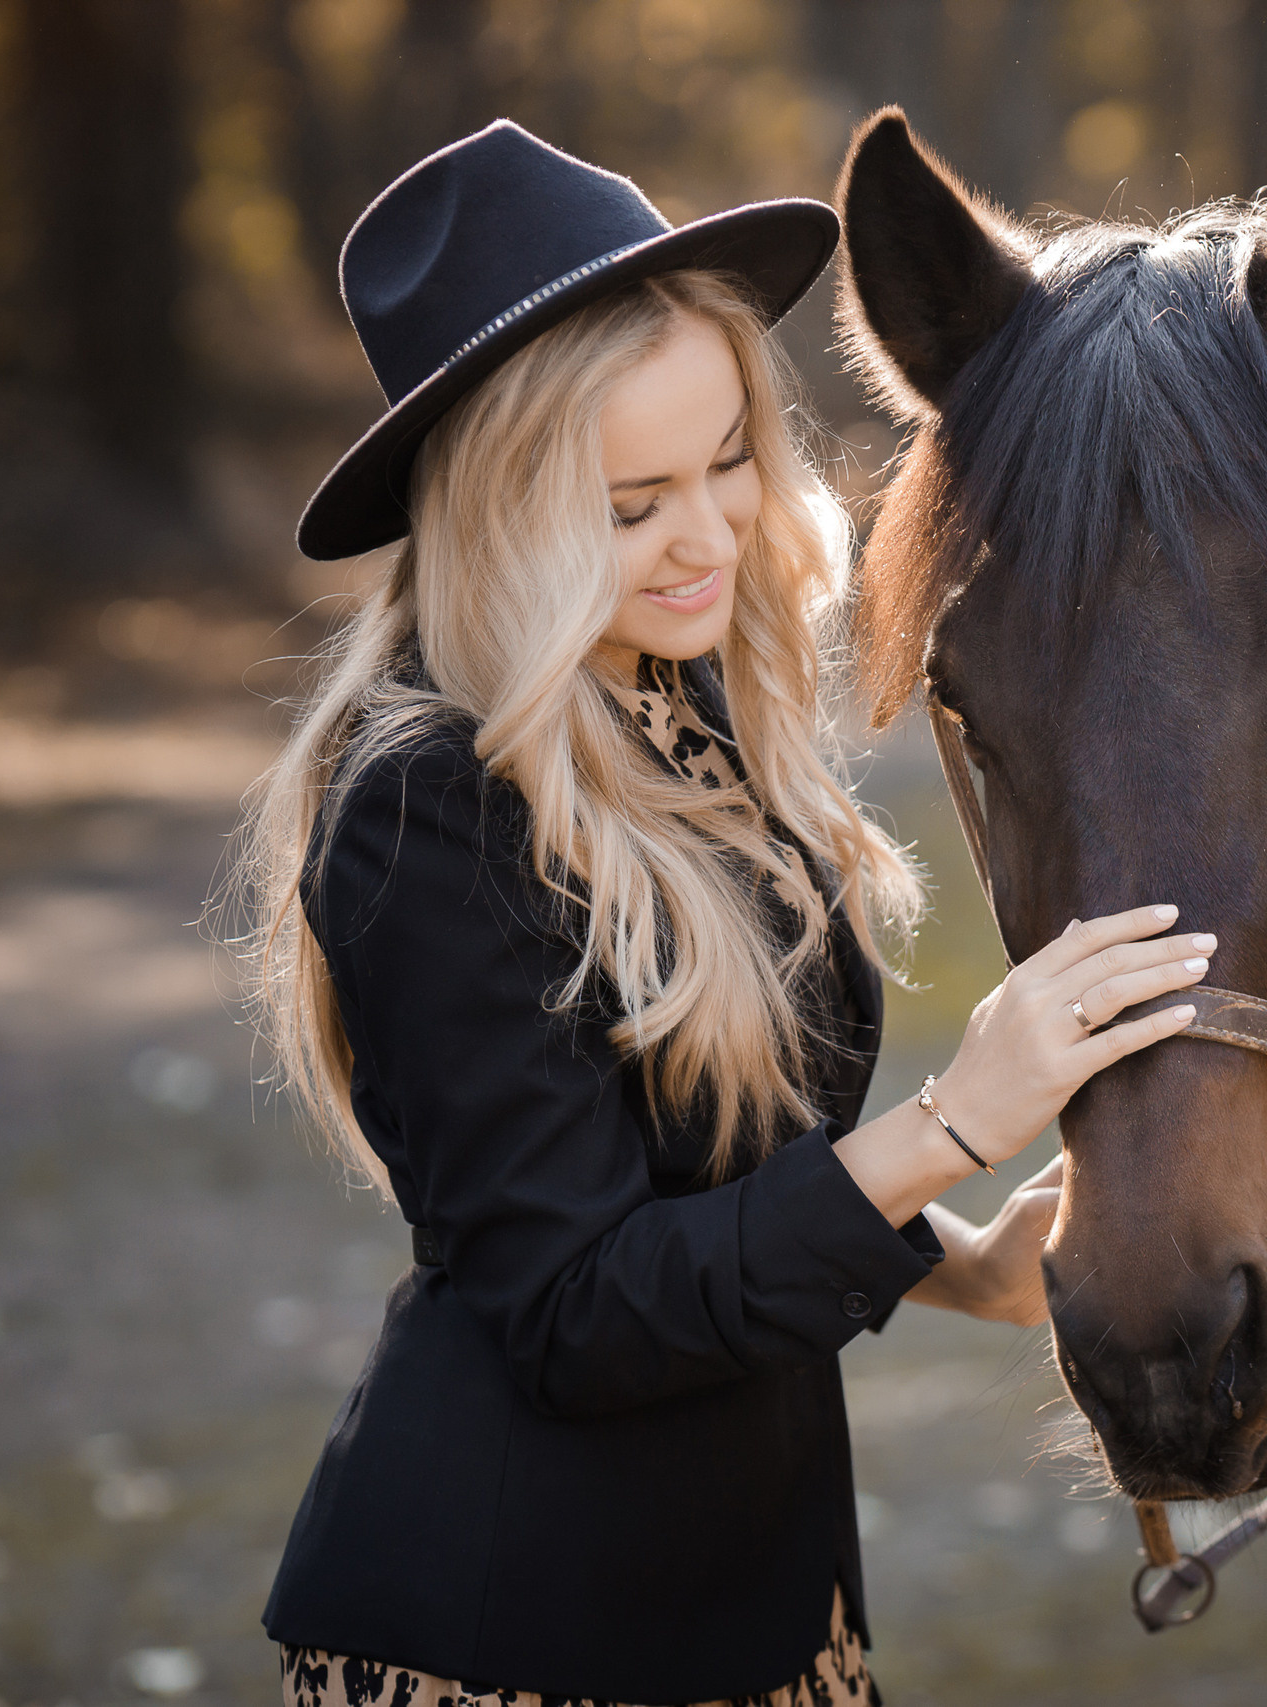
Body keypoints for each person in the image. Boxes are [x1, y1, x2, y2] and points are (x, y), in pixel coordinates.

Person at [232, 121, 1209, 1707]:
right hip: (517, 1644)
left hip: (754, 1609)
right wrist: (956, 1120)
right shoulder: (427, 803)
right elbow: (575, 1311)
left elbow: (710, 1163)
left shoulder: (675, 701)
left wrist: (958, 1261)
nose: (709, 537)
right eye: (632, 504)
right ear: (502, 512)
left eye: (727, 460)